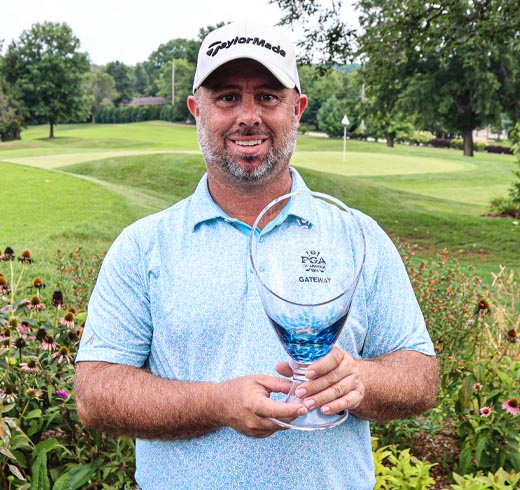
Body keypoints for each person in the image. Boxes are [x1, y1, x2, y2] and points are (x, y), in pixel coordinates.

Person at [74, 20, 438, 489]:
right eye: (227, 97)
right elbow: (95, 393)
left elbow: (420, 376)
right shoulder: (144, 246)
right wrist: (217, 404)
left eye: (268, 97)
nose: (249, 116)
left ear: (297, 109)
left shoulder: (356, 236)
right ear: (197, 111)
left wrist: (360, 380)